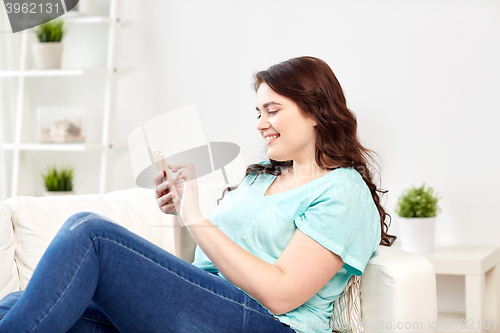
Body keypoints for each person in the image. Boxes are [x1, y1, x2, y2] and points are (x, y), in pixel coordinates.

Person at [0, 56, 396, 333]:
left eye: (272, 110)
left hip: (267, 324)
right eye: (257, 113)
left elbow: (281, 294)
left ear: (315, 111)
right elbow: (216, 258)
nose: (261, 124)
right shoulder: (260, 180)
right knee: (17, 304)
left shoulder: (342, 191)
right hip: (205, 307)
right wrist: (183, 204)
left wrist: (197, 216)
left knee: (91, 233)